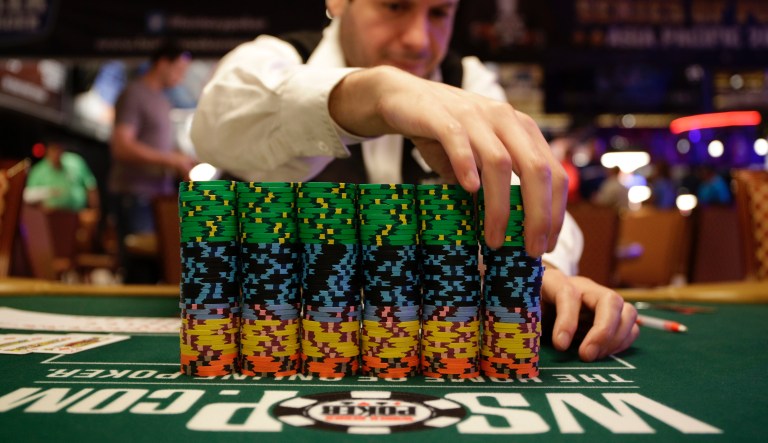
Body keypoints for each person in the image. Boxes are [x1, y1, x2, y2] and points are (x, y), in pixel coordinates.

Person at [191, 0, 638, 362]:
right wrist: (378, 93)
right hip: (274, 341)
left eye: (439, 13)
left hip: (431, 348)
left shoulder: (472, 82)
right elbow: (214, 126)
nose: (418, 39)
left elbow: (525, 192)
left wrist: (544, 271)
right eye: (394, 6)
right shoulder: (274, 58)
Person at [109, 40, 197, 283]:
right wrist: (171, 159)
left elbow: (161, 147)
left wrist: (183, 160)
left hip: (160, 197)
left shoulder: (163, 100)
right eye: (179, 69)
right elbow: (121, 145)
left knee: (161, 268)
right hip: (136, 195)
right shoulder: (135, 93)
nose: (181, 77)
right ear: (162, 63)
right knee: (140, 273)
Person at [26, 139, 99, 212]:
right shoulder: (38, 171)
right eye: (53, 149)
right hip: (49, 216)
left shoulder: (75, 162)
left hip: (77, 214)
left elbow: (91, 185)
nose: (56, 153)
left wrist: (94, 210)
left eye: (59, 149)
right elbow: (29, 197)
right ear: (47, 151)